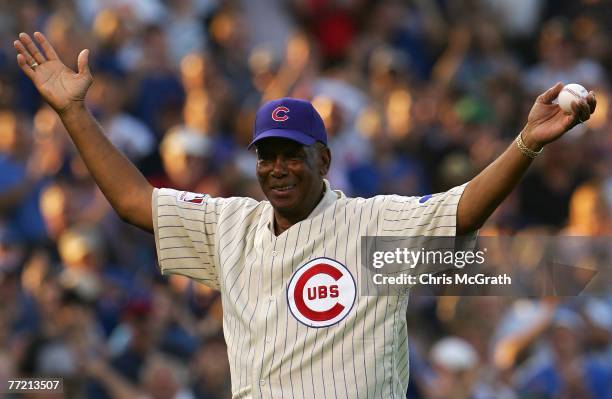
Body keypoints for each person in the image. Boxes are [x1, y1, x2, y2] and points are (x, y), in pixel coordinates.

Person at [13, 32, 596, 398]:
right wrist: (74, 113)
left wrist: (526, 143)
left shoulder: (372, 226)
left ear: (324, 159)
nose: (278, 169)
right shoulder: (230, 226)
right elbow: (134, 202)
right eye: (267, 156)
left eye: (293, 156)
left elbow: (461, 211)